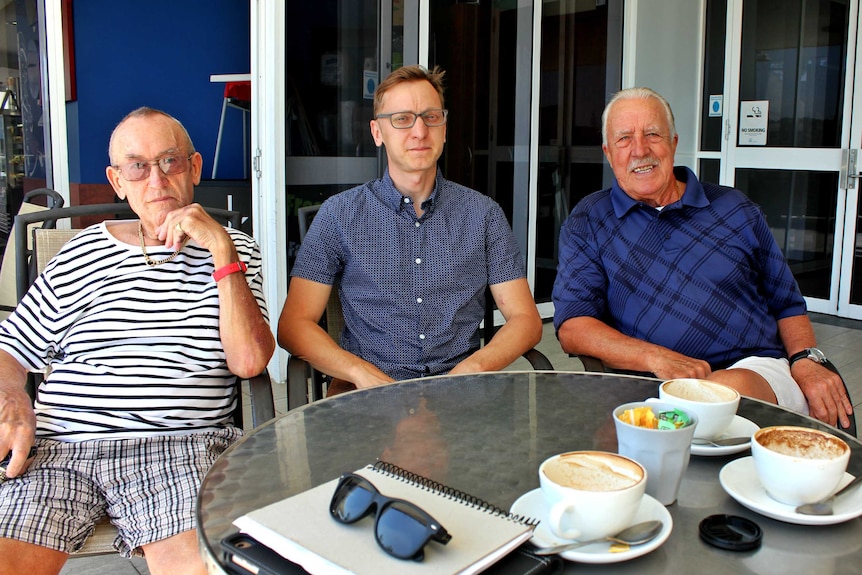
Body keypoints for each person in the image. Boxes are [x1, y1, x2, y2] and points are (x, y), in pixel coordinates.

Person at [0, 107, 275, 575]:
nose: (157, 179)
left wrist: (222, 251)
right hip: (63, 447)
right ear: (116, 180)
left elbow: (250, 362)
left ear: (194, 168)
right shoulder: (80, 252)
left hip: (181, 447)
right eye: (137, 166)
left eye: (170, 161)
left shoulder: (234, 248)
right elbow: (10, 351)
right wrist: (11, 399)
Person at [552, 87, 853, 430]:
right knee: (681, 419)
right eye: (624, 139)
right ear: (608, 152)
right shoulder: (590, 219)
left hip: (752, 369)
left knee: (719, 395)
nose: (640, 149)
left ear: (674, 143)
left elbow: (787, 303)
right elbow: (573, 326)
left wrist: (804, 358)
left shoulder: (735, 208)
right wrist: (655, 356)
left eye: (653, 134)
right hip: (649, 381)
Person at [278, 65, 541, 391]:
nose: (419, 131)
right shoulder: (340, 215)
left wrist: (473, 368)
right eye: (402, 119)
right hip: (367, 395)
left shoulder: (483, 215)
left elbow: (525, 320)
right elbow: (293, 325)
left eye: (431, 117)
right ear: (378, 133)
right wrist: (359, 373)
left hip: (462, 393)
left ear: (444, 128)